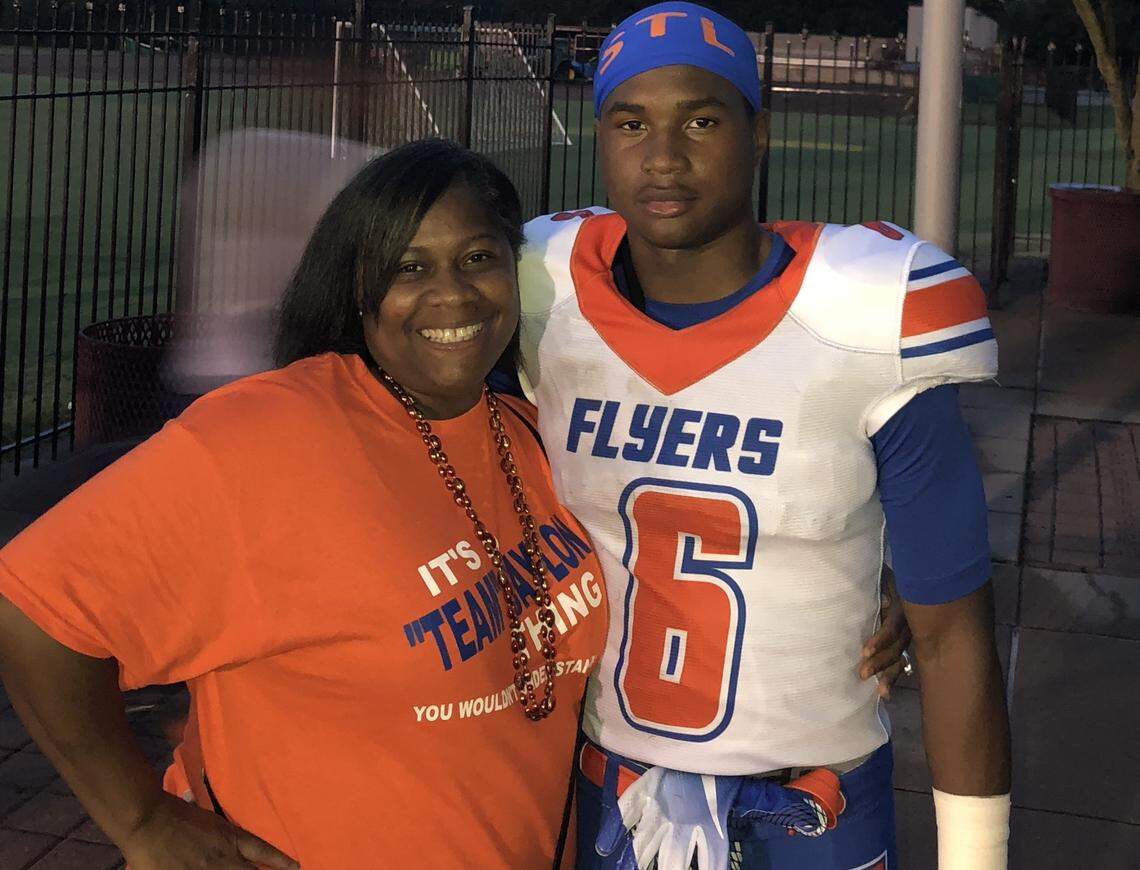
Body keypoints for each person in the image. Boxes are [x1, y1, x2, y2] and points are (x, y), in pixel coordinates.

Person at [0, 140, 610, 869]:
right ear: (359, 288)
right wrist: (141, 820)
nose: (452, 293)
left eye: (478, 257)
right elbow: (33, 609)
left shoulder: (527, 429)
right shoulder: (273, 434)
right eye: (408, 267)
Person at [506, 3, 1012, 869]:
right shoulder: (538, 293)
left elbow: (952, 629)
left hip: (814, 807)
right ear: (600, 138)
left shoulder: (866, 316)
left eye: (701, 119)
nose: (663, 156)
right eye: (632, 123)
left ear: (758, 132)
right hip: (611, 797)